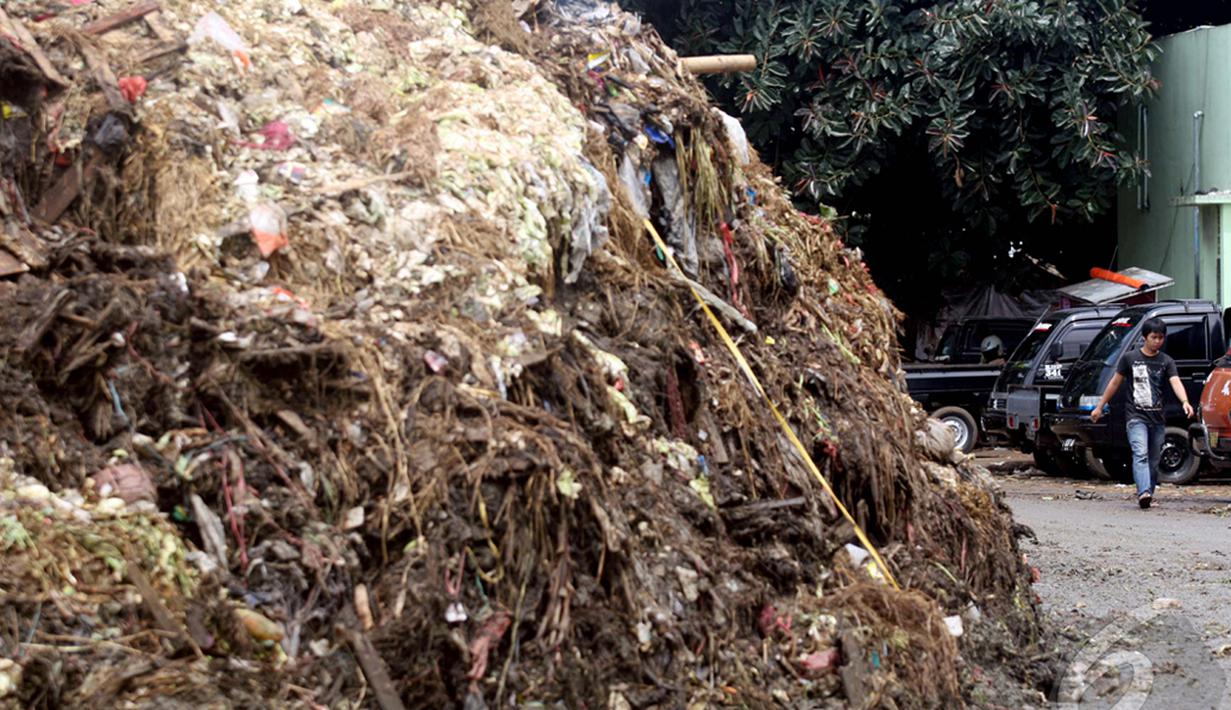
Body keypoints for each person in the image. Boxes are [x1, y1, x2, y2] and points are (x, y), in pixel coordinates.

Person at [1090, 318, 1194, 508]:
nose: (1157, 341)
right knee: (1140, 453)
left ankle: (1149, 493)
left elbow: (1175, 381)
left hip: (1157, 418)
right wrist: (1100, 406)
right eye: (1154, 337)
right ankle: (1143, 492)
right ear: (1145, 337)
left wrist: (1185, 402)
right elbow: (1114, 383)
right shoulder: (1130, 359)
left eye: (1161, 338)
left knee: (1154, 460)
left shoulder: (1166, 361)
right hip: (1135, 416)